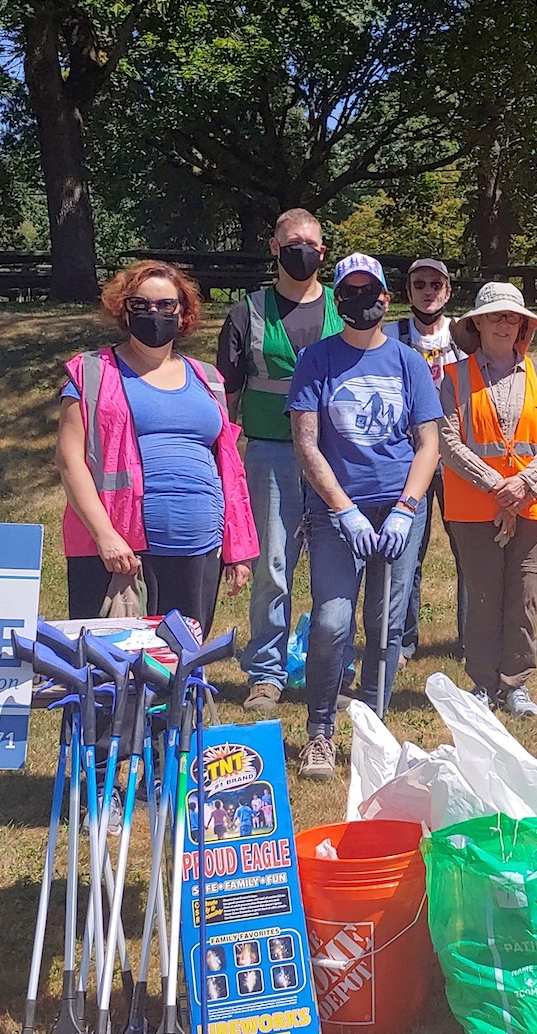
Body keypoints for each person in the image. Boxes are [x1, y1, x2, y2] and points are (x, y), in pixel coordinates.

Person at [288, 252, 443, 779]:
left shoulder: (408, 361)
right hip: (338, 514)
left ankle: (373, 729)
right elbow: (307, 445)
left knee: (386, 624)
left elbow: (429, 443)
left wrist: (406, 508)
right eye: (349, 291)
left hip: (397, 508)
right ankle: (320, 731)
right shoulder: (317, 359)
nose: (362, 299)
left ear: (385, 297)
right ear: (338, 299)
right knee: (333, 621)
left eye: (370, 290)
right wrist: (344, 510)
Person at [58, 260, 257, 633]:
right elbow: (70, 462)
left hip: (199, 545)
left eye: (166, 305)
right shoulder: (91, 372)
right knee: (113, 670)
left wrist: (238, 547)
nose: (154, 313)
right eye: (141, 304)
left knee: (181, 663)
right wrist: (105, 537)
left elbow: (229, 467)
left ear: (183, 313)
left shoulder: (208, 378)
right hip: (122, 551)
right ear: (124, 309)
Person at [217, 209, 343, 713]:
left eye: (310, 243)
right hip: (270, 452)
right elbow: (226, 394)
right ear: (274, 246)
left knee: (337, 565)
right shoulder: (248, 312)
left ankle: (334, 664)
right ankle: (265, 673)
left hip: (335, 456)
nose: (302, 251)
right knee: (273, 566)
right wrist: (222, 457)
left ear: (323, 251)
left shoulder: (344, 307)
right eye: (293, 243)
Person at [439, 282, 537, 717]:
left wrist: (523, 486)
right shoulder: (454, 379)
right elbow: (448, 441)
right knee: (482, 595)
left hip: (532, 505)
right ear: (476, 323)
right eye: (495, 315)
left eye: (512, 317)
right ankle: (482, 682)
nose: (504, 323)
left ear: (522, 326)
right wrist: (498, 487)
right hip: (475, 507)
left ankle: (516, 684)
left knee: (524, 595)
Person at [390, 258, 468, 662]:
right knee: (407, 549)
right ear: (408, 291)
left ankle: (473, 638)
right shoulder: (391, 335)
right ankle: (402, 641)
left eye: (436, 284)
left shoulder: (465, 336)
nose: (428, 291)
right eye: (419, 283)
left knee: (468, 548)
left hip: (457, 453)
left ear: (448, 291)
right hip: (410, 453)